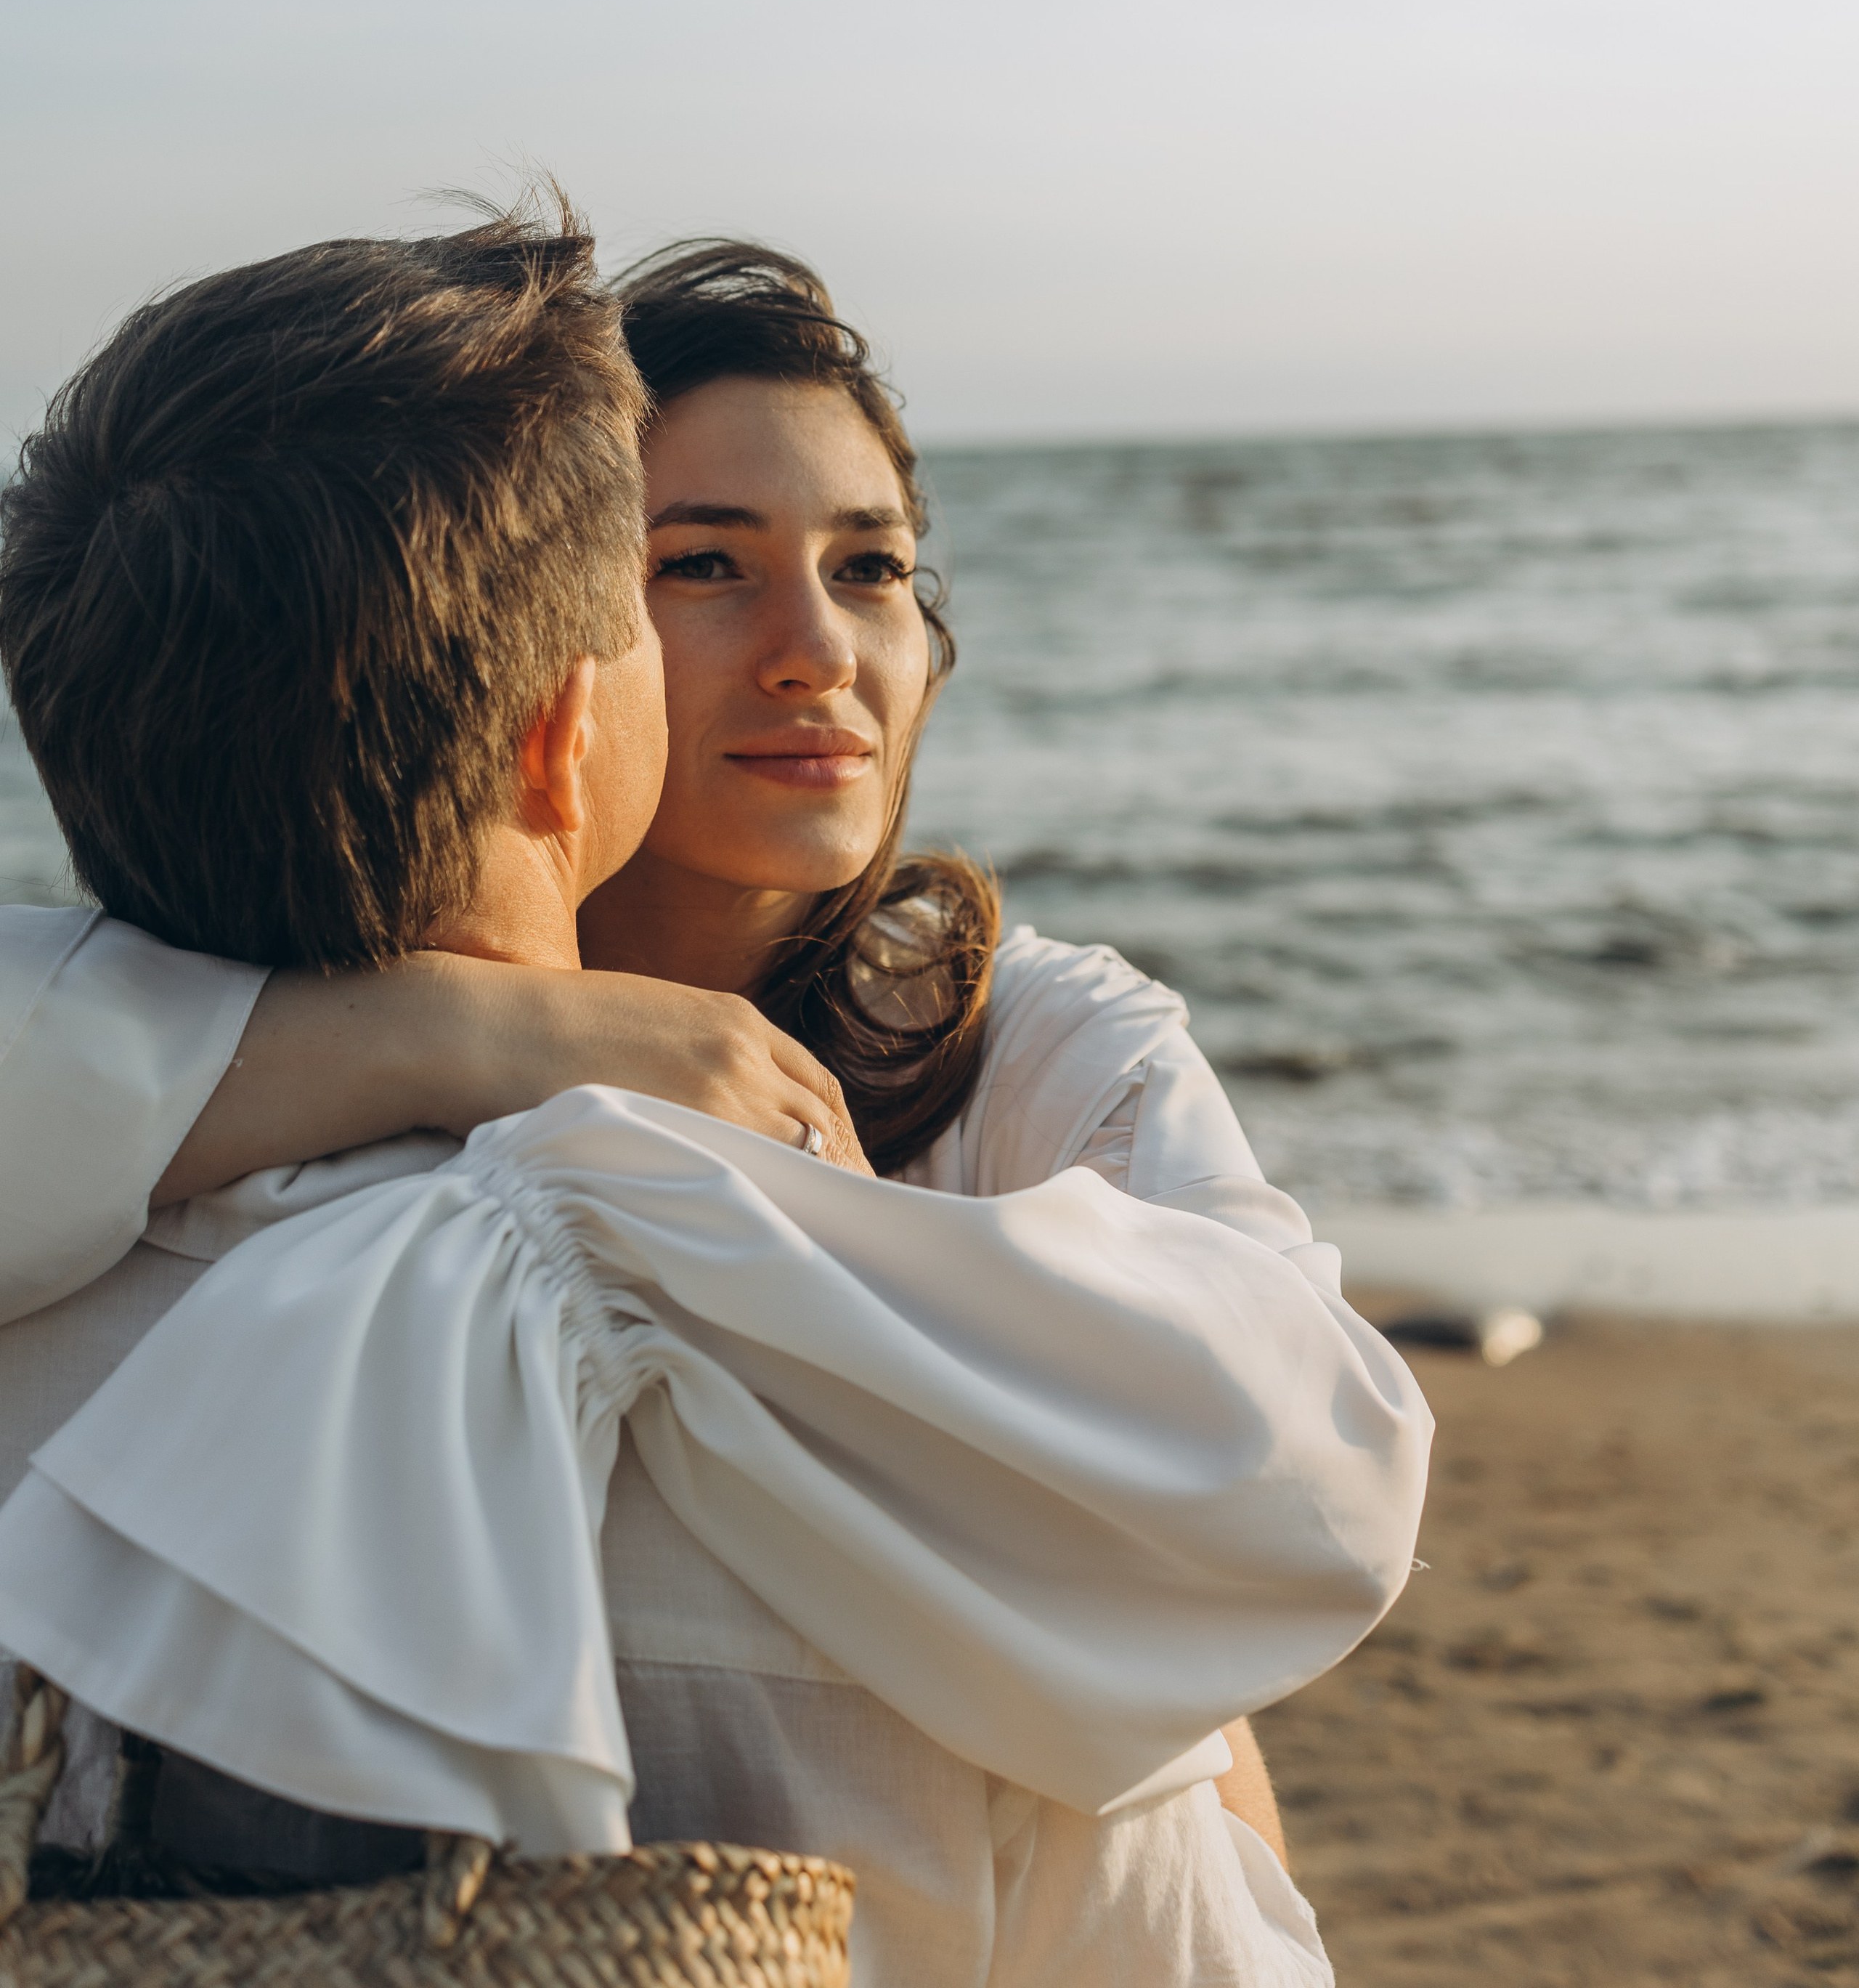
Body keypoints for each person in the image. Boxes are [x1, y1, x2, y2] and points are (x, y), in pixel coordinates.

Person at [0, 211, 1431, 1981]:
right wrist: (466, 1035)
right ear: (551, 691)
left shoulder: (1036, 1037)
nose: (815, 647)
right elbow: (1263, 1517)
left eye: (875, 566)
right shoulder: (196, 1068)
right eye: (685, 569)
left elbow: (1235, 1552)